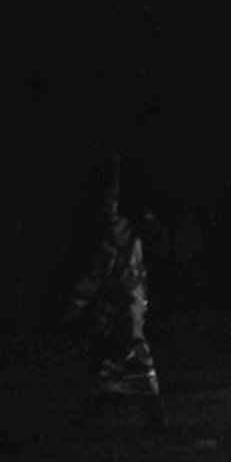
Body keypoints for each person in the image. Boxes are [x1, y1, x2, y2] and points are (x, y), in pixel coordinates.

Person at [62, 158, 166, 432]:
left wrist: (74, 306)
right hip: (129, 304)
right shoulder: (129, 234)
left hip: (123, 307)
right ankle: (105, 408)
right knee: (114, 357)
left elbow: (94, 277)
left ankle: (151, 416)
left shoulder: (114, 237)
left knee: (127, 357)